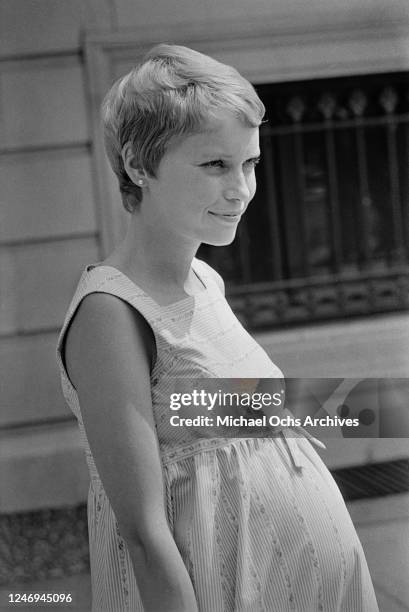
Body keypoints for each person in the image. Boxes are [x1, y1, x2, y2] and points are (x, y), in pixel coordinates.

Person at [56, 44, 379, 612]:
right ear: (137, 165)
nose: (241, 189)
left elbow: (231, 413)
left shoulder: (203, 279)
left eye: (250, 163)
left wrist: (382, 410)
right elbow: (144, 536)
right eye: (215, 165)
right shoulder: (111, 314)